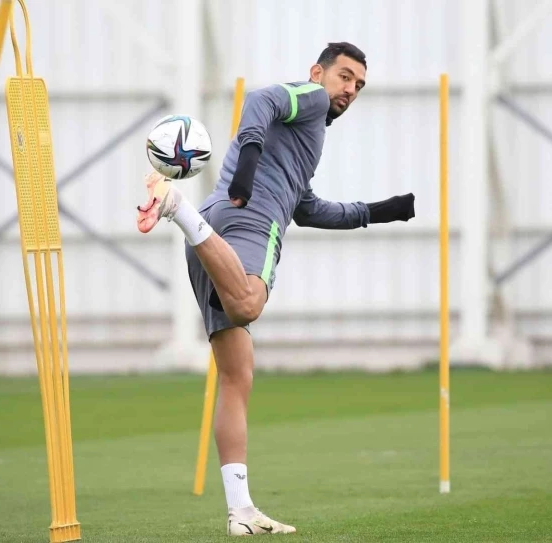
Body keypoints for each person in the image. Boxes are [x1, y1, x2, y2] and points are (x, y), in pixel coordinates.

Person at [136, 42, 415, 536]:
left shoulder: (307, 137)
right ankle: (177, 206)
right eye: (344, 77)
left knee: (236, 376)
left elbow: (305, 207)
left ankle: (241, 511)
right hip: (249, 223)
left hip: (215, 235)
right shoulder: (310, 97)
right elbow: (261, 100)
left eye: (358, 85)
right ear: (318, 72)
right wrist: (247, 158)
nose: (350, 90)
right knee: (247, 304)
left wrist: (376, 212)